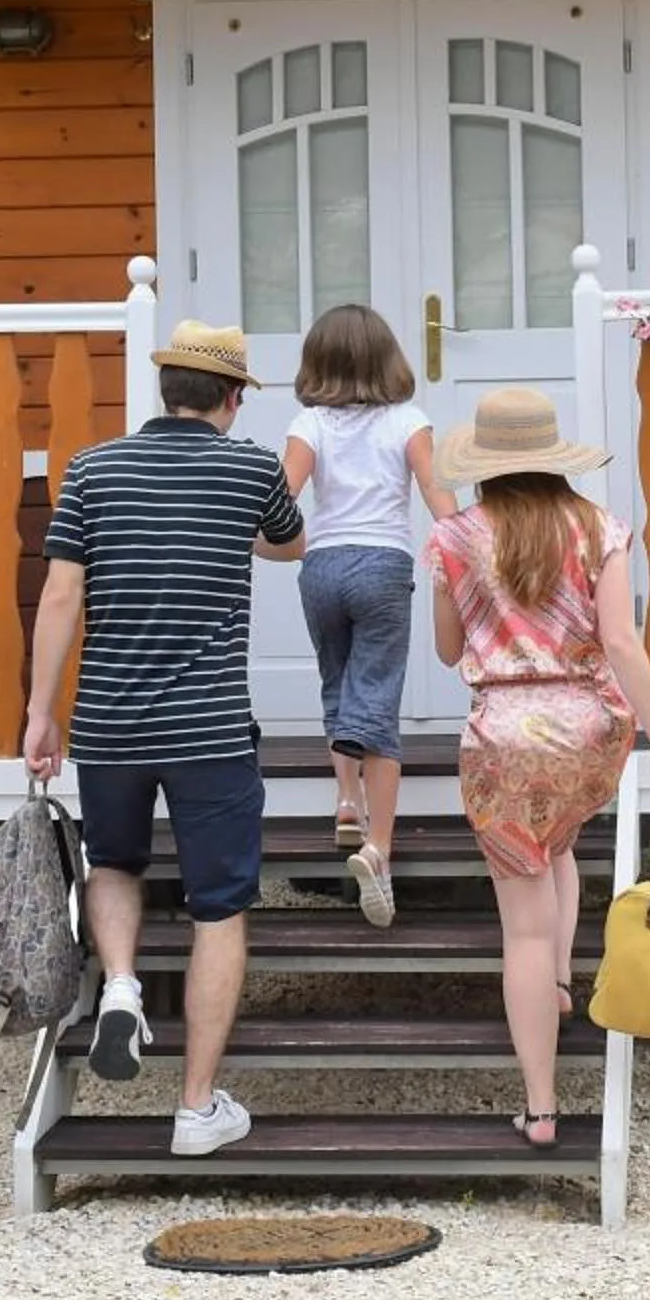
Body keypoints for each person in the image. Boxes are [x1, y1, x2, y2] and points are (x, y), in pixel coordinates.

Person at [22, 318, 304, 1157]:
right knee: (220, 909)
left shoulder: (93, 470)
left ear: (163, 390)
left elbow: (61, 597)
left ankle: (118, 987)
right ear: (232, 397)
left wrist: (42, 712)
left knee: (114, 863)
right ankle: (196, 1107)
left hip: (107, 722)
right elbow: (291, 544)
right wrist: (232, 529)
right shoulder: (251, 468)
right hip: (209, 730)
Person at [424, 386, 650, 1149]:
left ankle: (540, 1108)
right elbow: (621, 643)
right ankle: (566, 983)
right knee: (561, 841)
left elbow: (448, 651)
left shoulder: (452, 538)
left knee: (523, 932)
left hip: (502, 738)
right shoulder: (600, 529)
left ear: (485, 463)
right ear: (552, 457)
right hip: (587, 731)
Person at [282, 305, 456, 926]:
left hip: (323, 567)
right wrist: (464, 548)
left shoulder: (309, 423)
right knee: (376, 699)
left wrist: (258, 538)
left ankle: (347, 803)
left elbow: (284, 498)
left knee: (338, 682)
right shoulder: (408, 420)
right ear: (388, 359)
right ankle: (378, 849)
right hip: (382, 565)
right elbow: (437, 491)